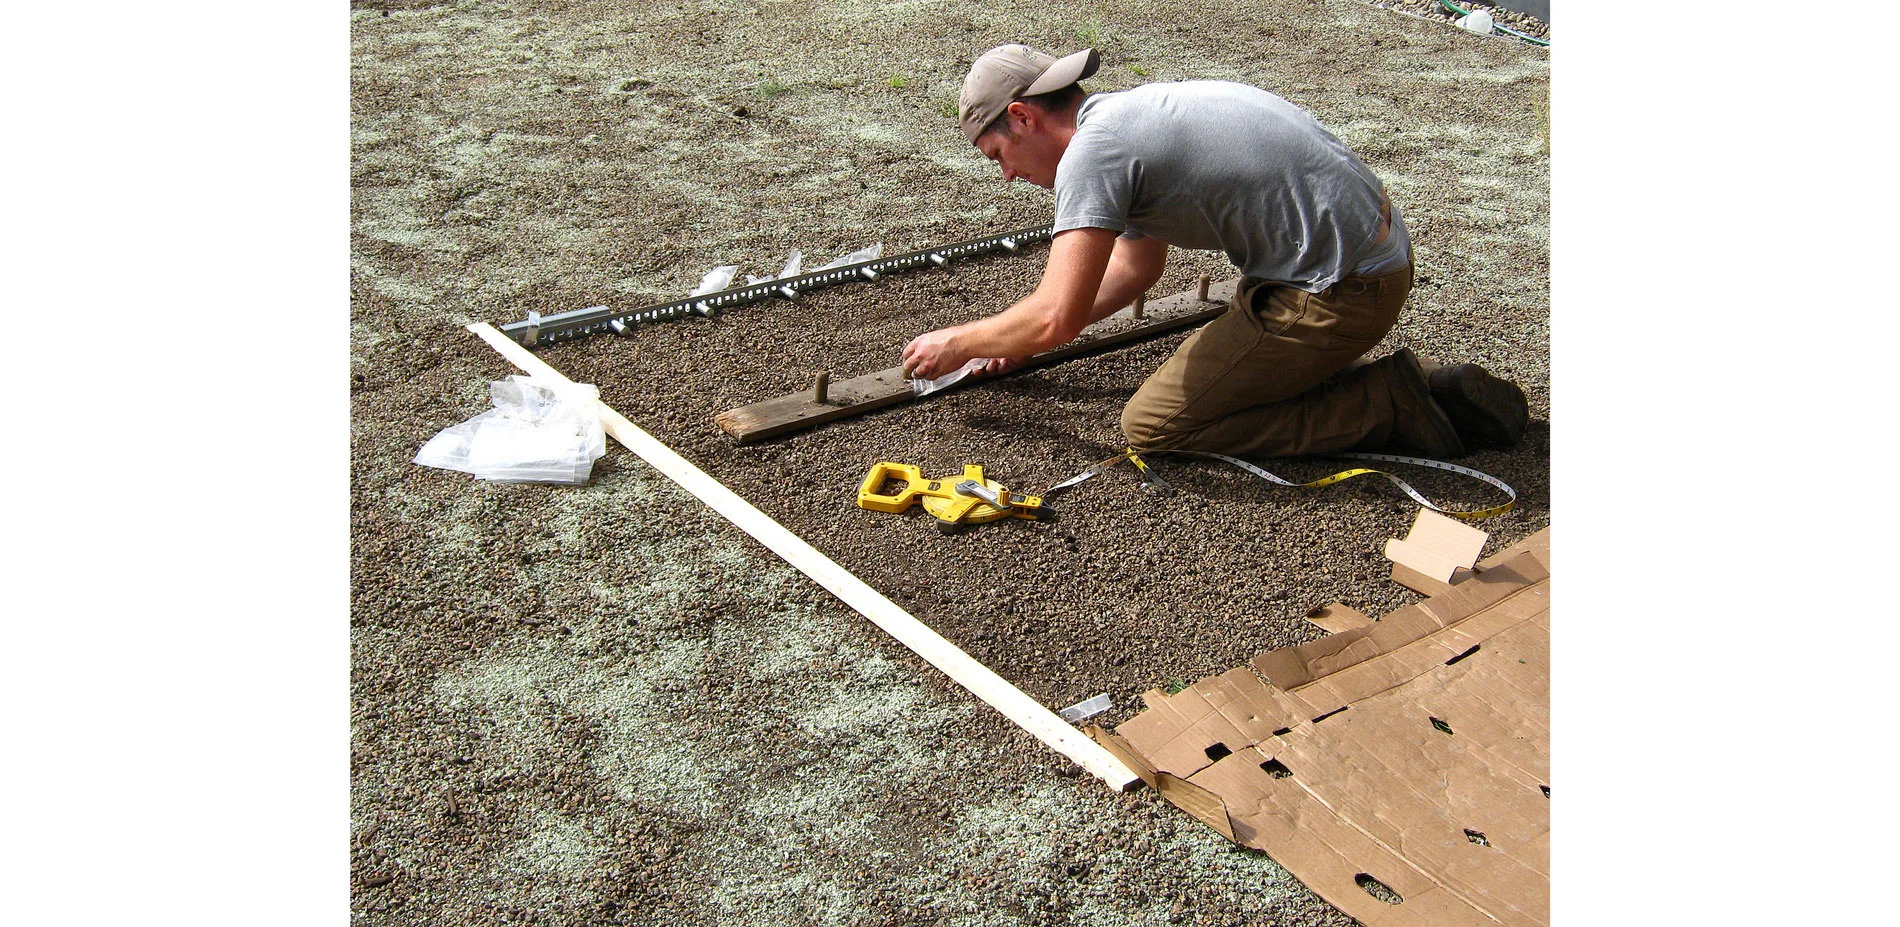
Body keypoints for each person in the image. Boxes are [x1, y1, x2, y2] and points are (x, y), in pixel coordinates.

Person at [901, 44, 1530, 459]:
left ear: (1022, 117)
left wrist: (960, 342)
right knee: (1221, 379)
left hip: (1338, 289)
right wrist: (1013, 342)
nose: (1008, 176)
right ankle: (1413, 387)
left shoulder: (1094, 155)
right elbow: (1136, 269)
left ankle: (1392, 404)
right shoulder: (1124, 120)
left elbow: (1054, 316)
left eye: (999, 156)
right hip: (1364, 262)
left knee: (1155, 425)